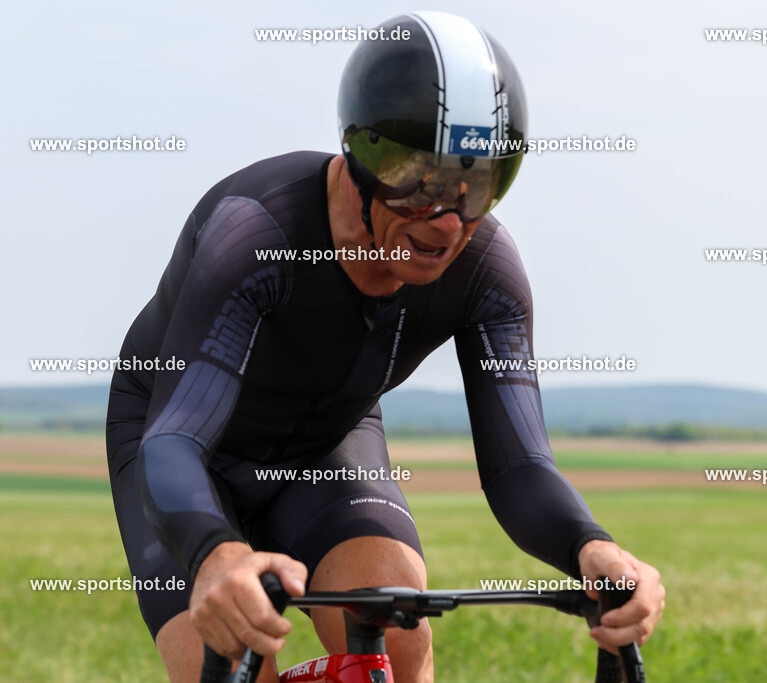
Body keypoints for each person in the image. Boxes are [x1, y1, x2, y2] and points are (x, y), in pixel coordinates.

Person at [106, 11, 665, 682]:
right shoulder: (255, 232)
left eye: (481, 182)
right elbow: (175, 441)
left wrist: (592, 546)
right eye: (418, 180)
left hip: (326, 441)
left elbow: (520, 467)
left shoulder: (487, 270)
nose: (447, 222)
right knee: (226, 655)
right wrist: (215, 556)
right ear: (360, 157)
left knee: (397, 632)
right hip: (178, 440)